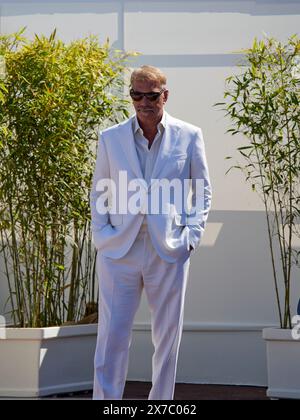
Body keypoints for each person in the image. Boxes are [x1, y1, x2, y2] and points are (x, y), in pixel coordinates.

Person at [90, 65, 212, 400]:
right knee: (112, 337)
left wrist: (191, 236)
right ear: (130, 95)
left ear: (165, 95)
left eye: (152, 95)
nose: (144, 101)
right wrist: (102, 233)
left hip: (169, 248)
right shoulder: (110, 137)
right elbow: (99, 190)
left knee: (167, 338)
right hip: (119, 250)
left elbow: (202, 189)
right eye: (136, 94)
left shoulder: (189, 135)